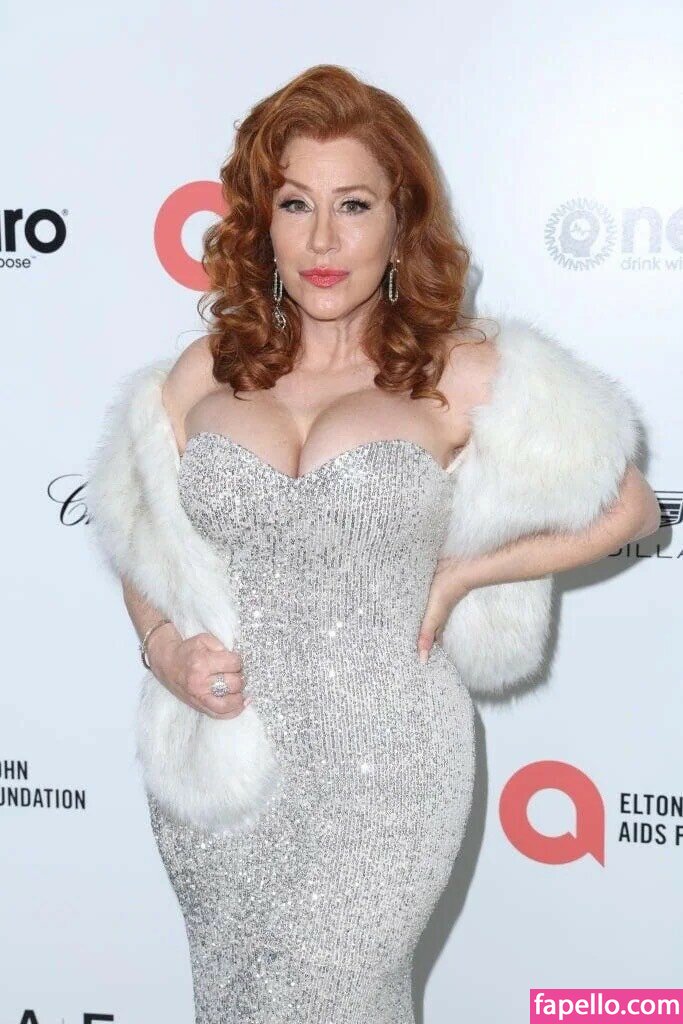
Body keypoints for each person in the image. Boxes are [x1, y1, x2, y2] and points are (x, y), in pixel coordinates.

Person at [86, 64, 660, 1023]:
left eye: (353, 205)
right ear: (261, 223)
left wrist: (466, 573)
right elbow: (138, 534)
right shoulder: (205, 372)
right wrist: (166, 649)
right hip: (227, 772)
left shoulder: (459, 371)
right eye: (295, 204)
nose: (322, 240)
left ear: (400, 222)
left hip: (386, 774)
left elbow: (630, 508)